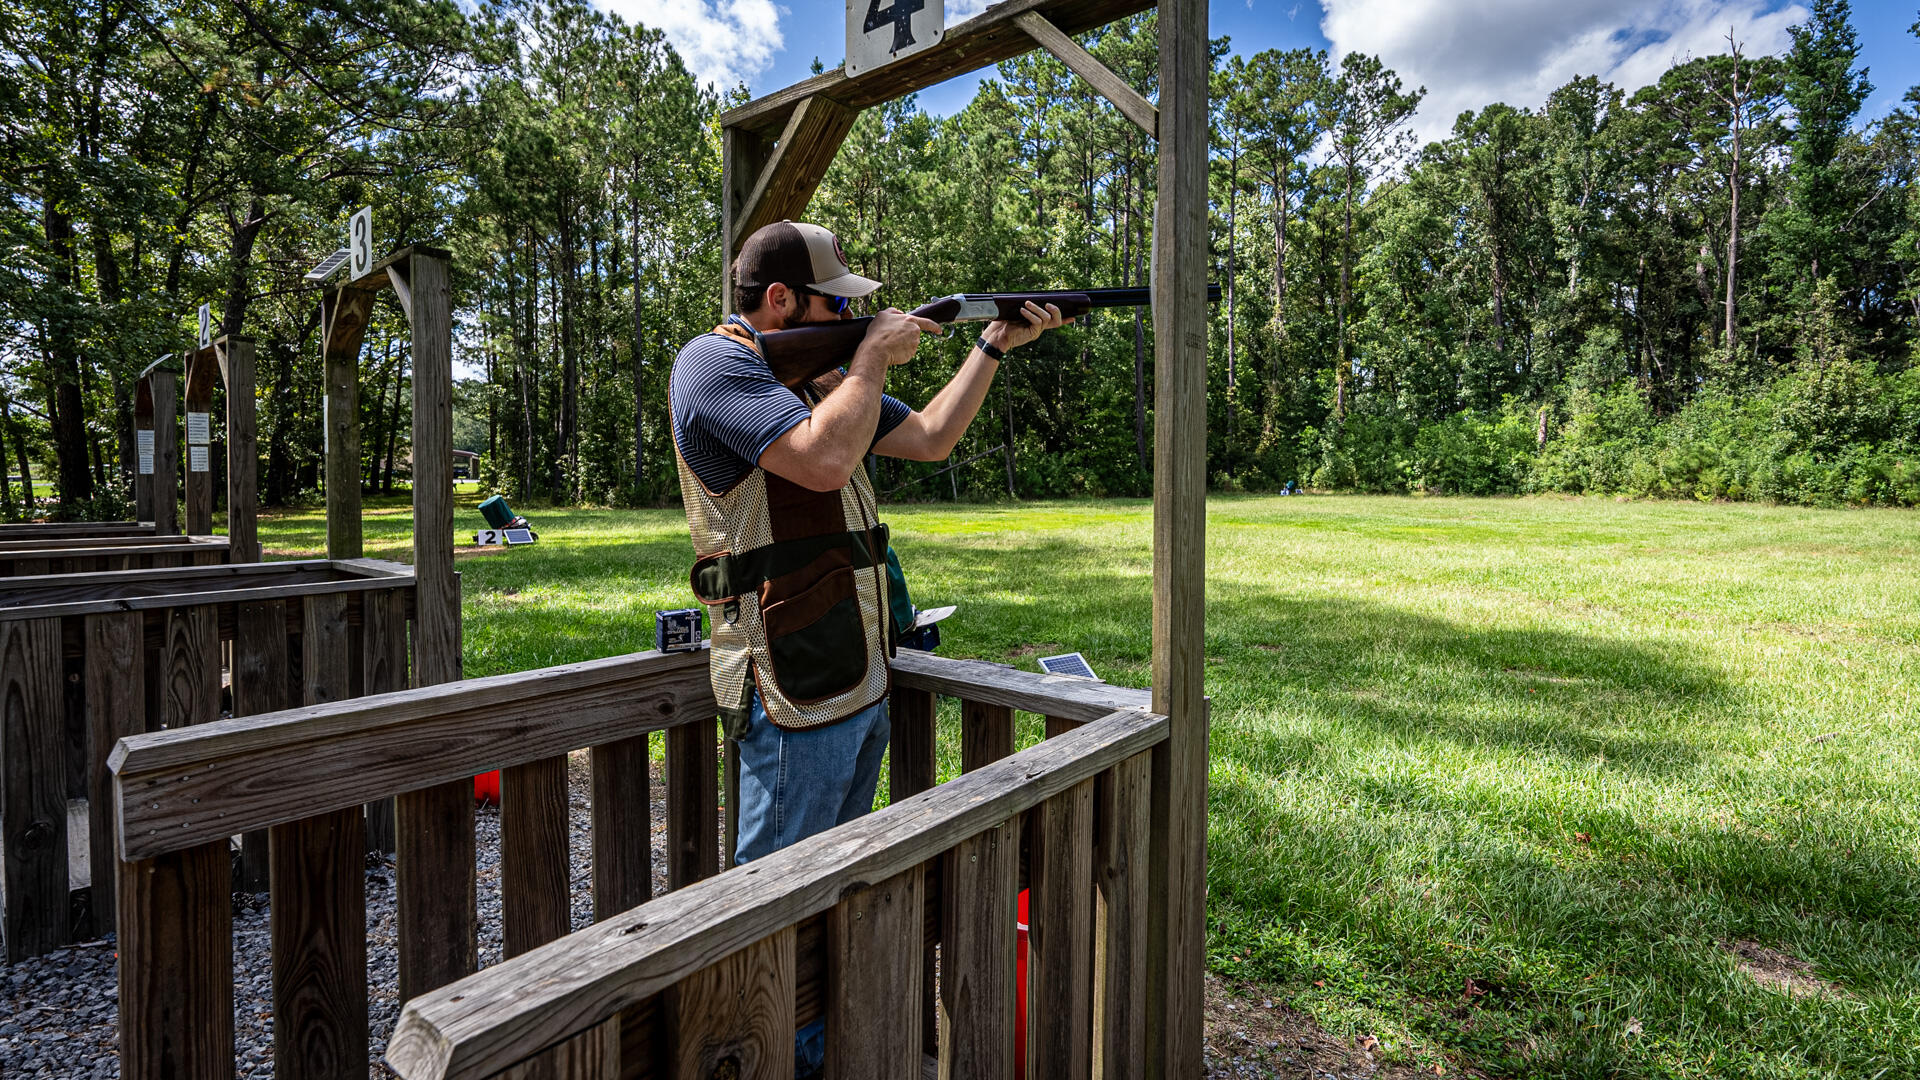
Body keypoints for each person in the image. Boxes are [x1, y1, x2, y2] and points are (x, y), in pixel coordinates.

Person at [670, 222, 1066, 1073]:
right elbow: (819, 462)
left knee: (833, 888)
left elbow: (930, 438)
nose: (854, 317)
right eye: (837, 304)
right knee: (776, 897)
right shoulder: (713, 365)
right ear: (782, 300)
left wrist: (992, 346)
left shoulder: (819, 377)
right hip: (788, 681)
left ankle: (812, 1056)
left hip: (853, 672)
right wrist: (872, 359)